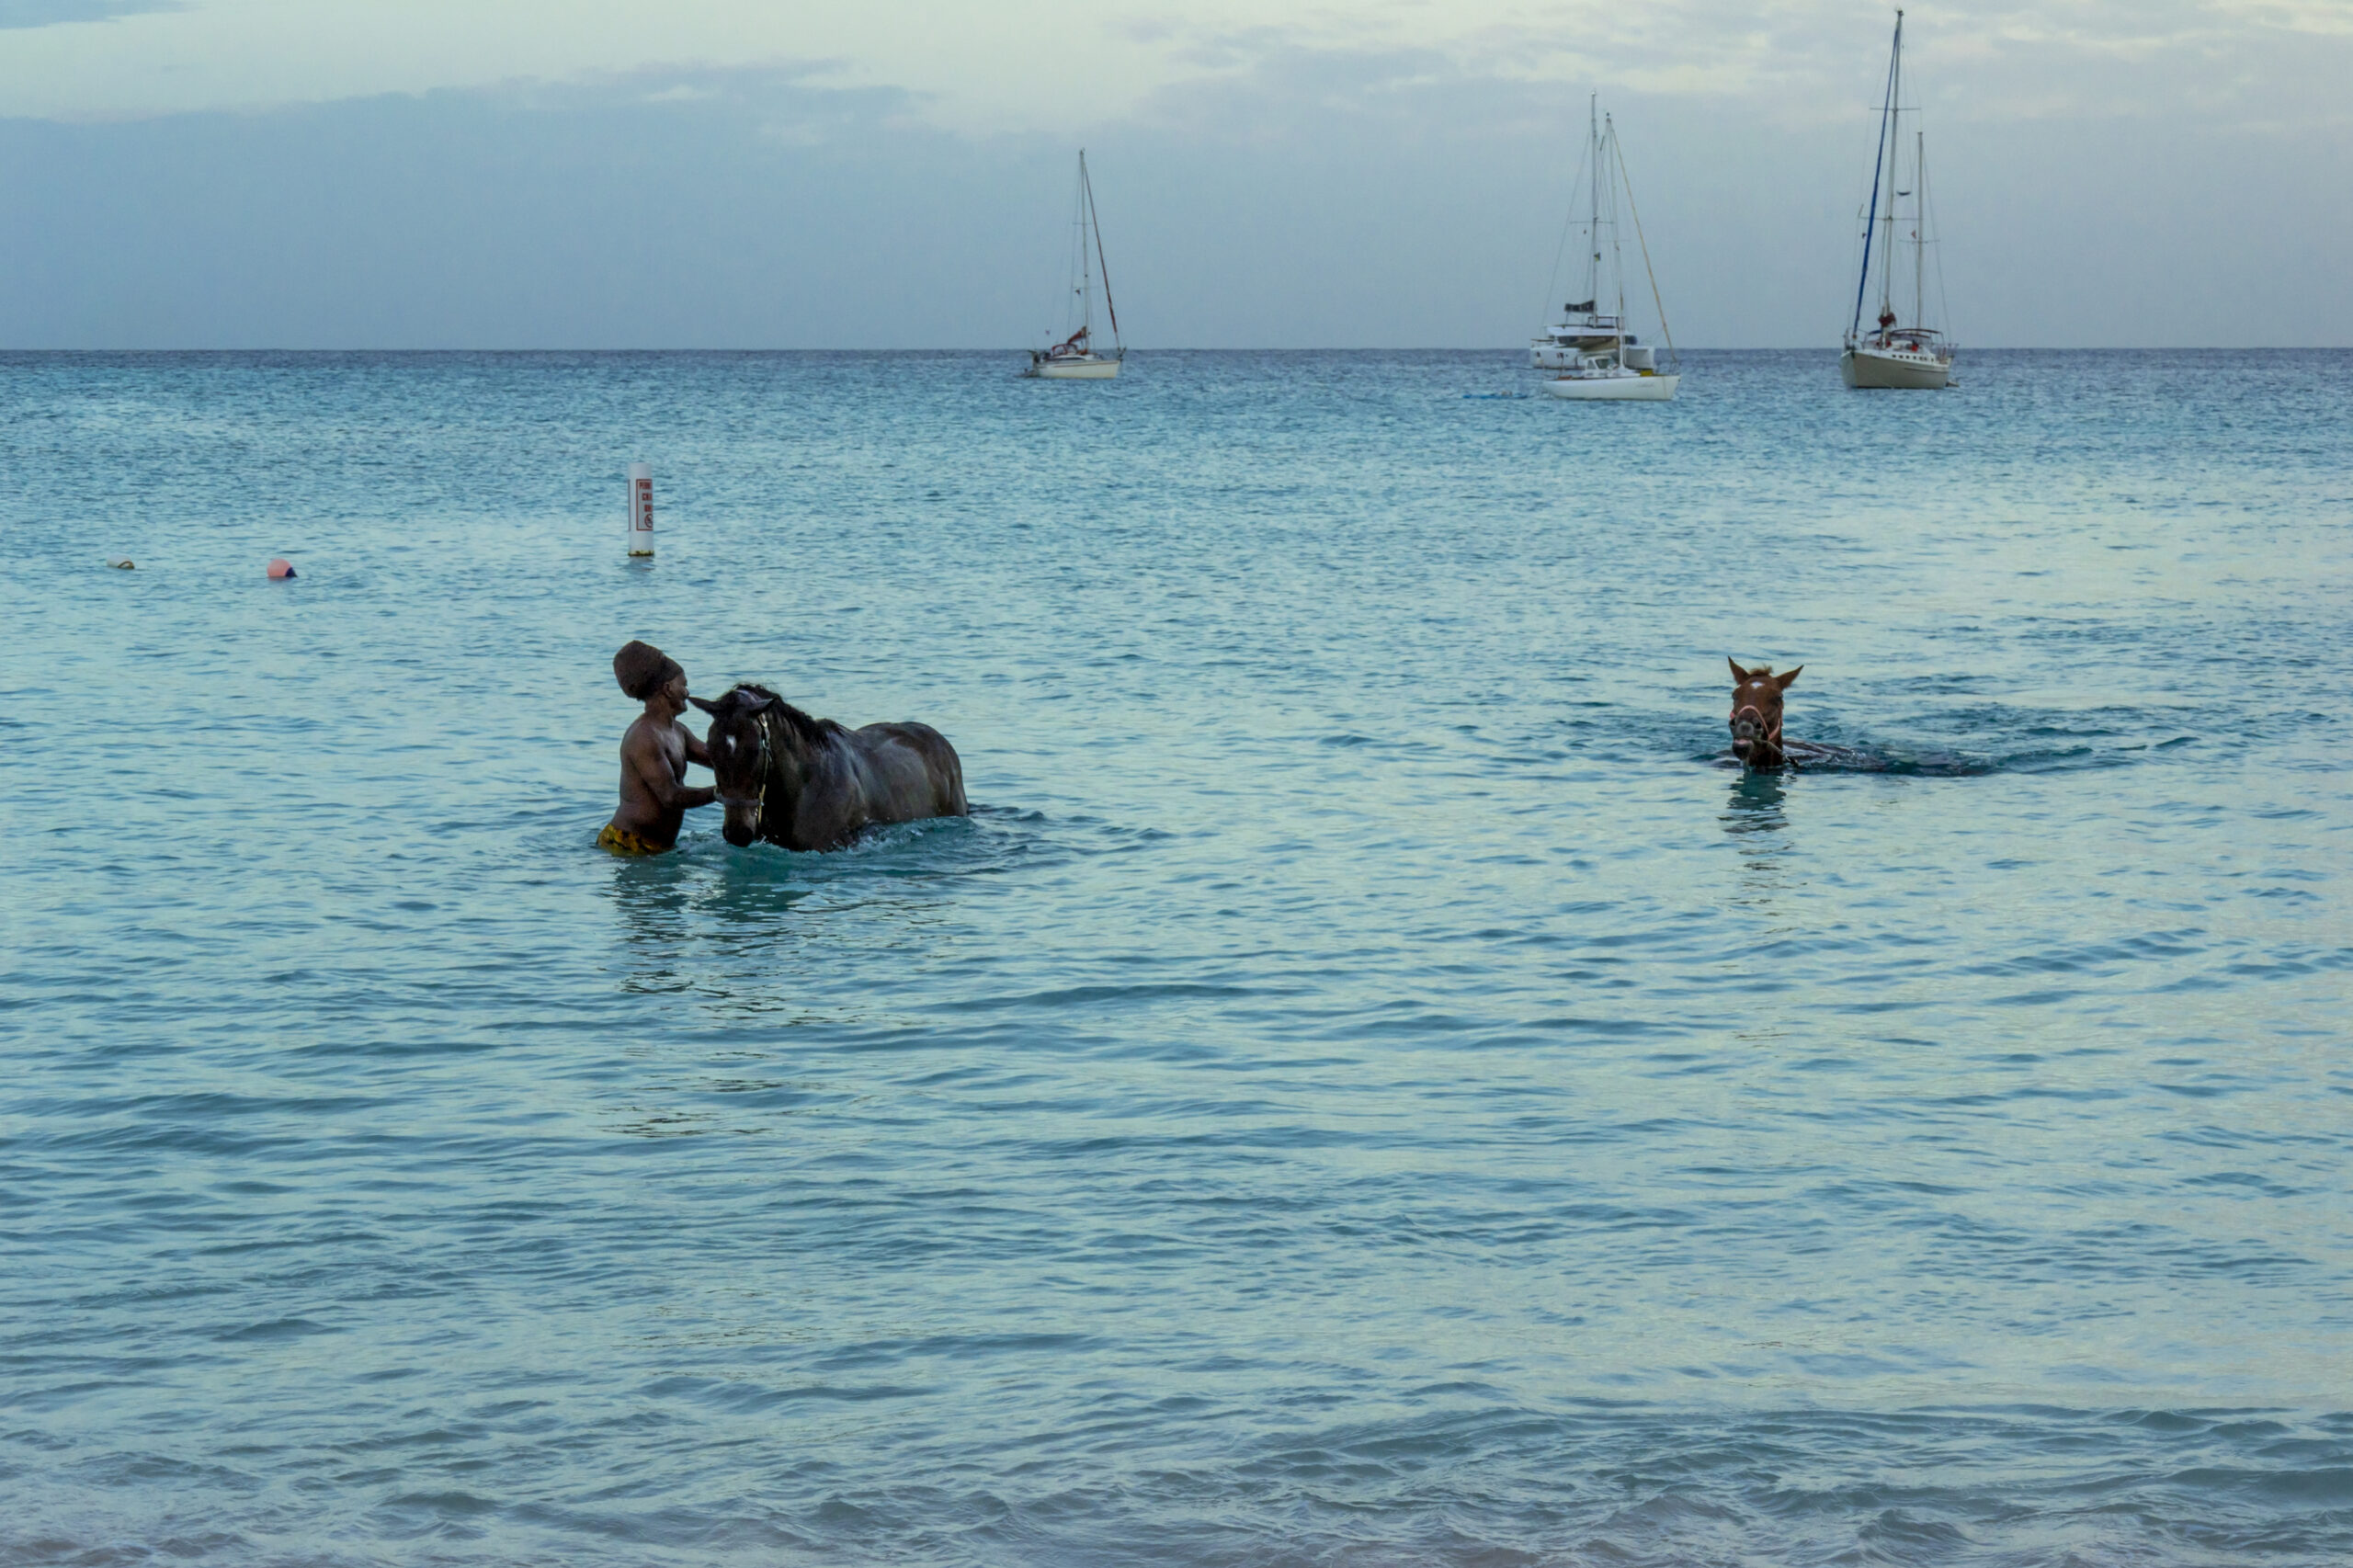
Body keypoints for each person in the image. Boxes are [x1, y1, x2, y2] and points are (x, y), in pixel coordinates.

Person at [599, 640, 717, 855]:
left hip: (660, 848)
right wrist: (720, 792)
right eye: (684, 684)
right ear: (668, 688)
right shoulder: (644, 737)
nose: (688, 692)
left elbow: (715, 758)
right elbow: (670, 796)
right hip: (629, 844)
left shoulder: (678, 730)